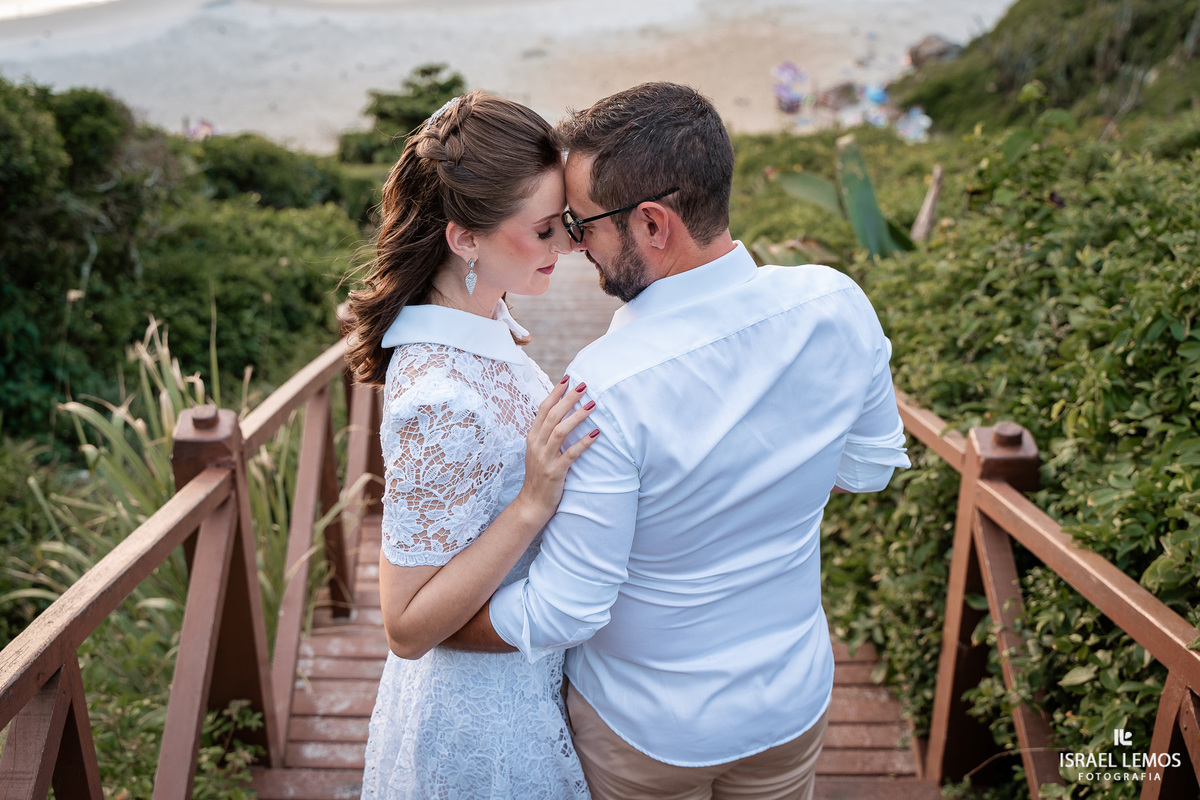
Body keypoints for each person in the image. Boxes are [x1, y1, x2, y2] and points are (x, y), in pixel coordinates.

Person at [449, 82, 912, 799]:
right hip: (790, 703)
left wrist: (446, 624)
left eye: (583, 223)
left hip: (649, 732)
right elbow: (873, 466)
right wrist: (758, 487)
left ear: (654, 225)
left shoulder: (603, 387)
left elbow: (568, 610)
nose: (574, 245)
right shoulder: (836, 301)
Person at [344, 90, 595, 800]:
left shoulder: (485, 315)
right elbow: (406, 624)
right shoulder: (438, 400)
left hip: (523, 679)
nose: (569, 246)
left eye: (567, 224)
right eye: (543, 230)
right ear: (466, 238)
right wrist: (530, 505)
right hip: (480, 725)